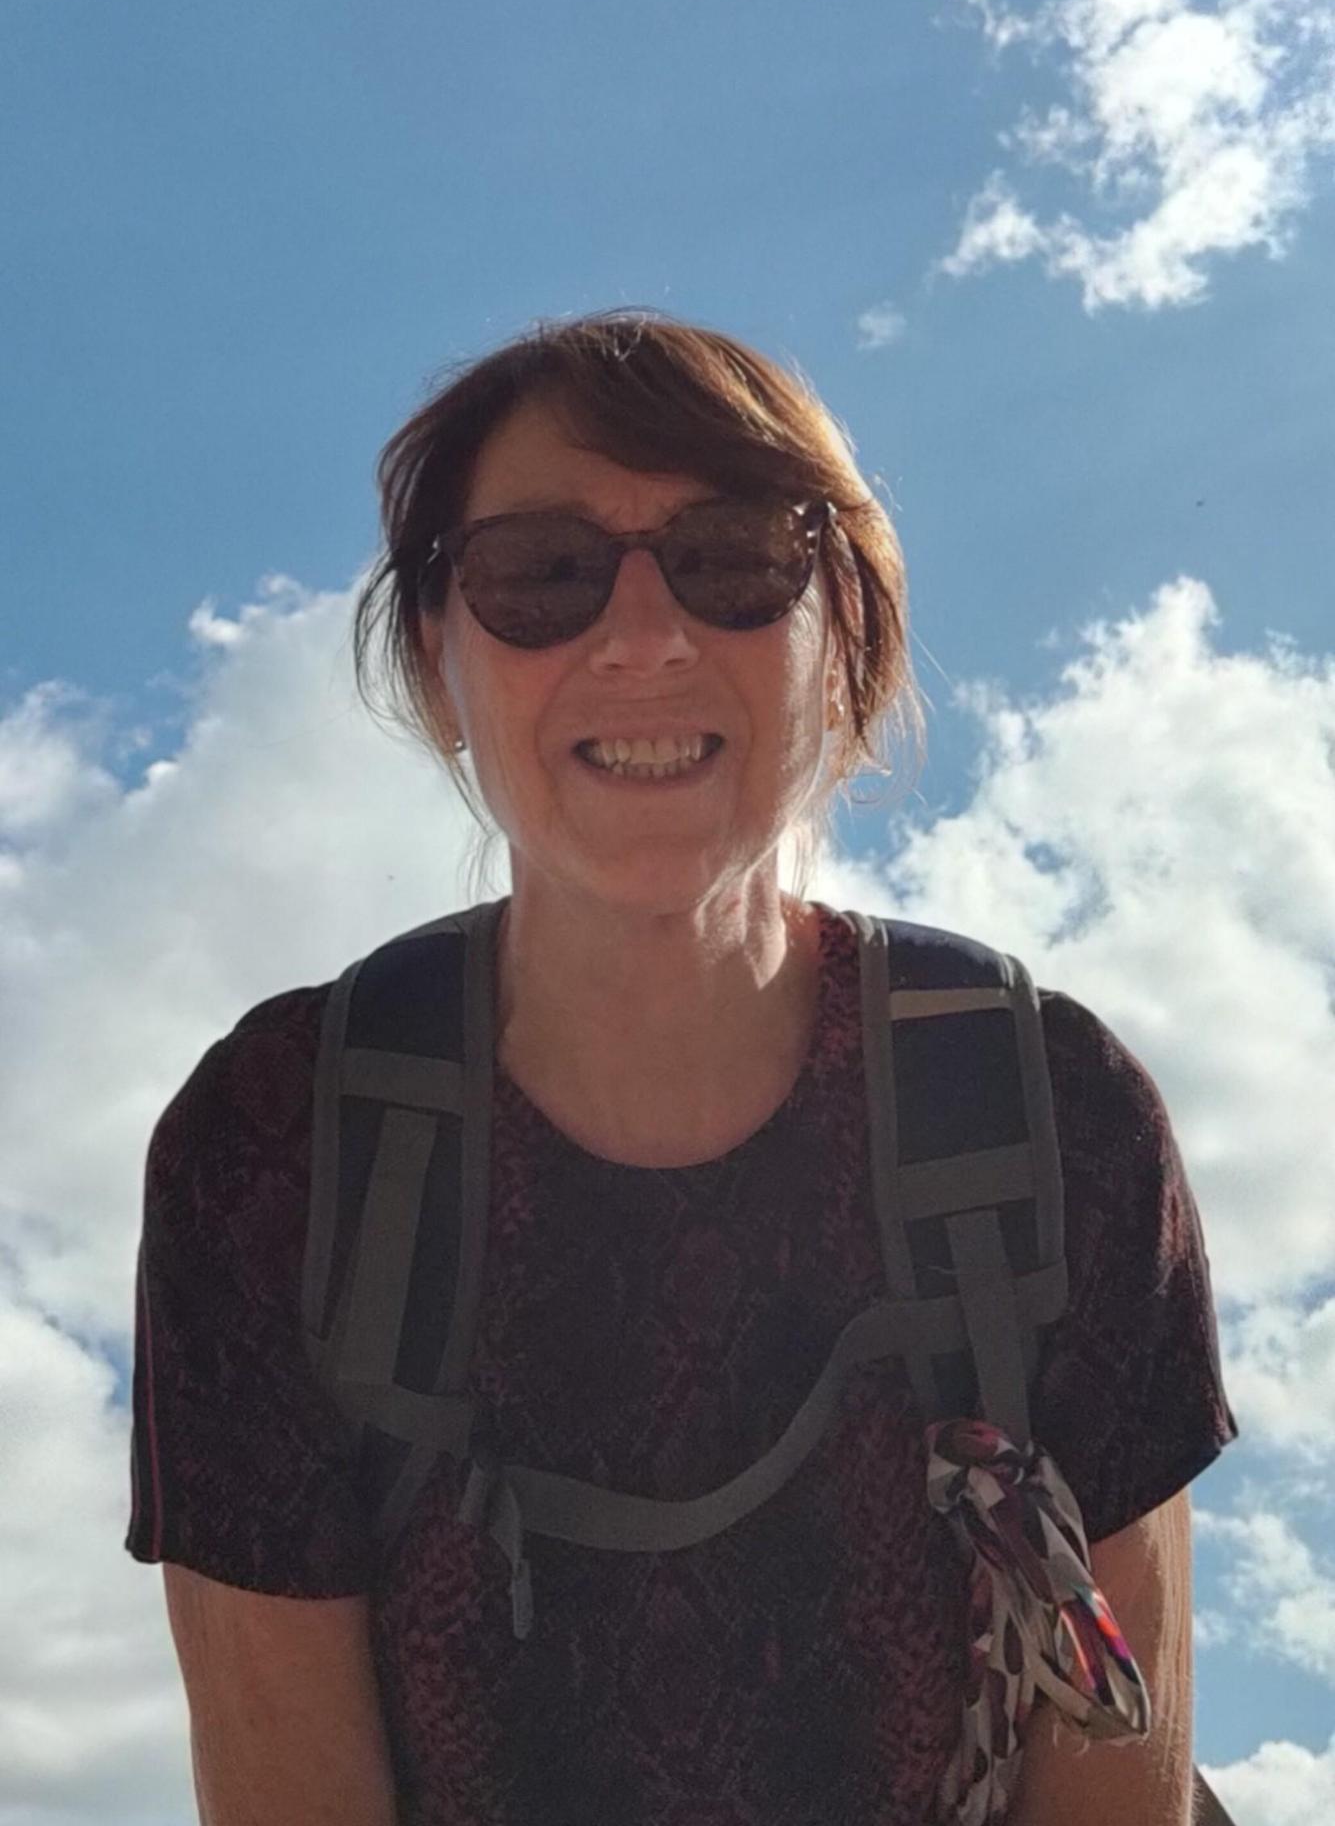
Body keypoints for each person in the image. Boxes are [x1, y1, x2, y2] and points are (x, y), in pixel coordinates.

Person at [124, 311, 1237, 1825]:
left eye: (734, 560)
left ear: (845, 641)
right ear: (439, 661)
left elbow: (1118, 1777)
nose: (642, 637)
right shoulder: (280, 1144)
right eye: (540, 574)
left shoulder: (1053, 1112)